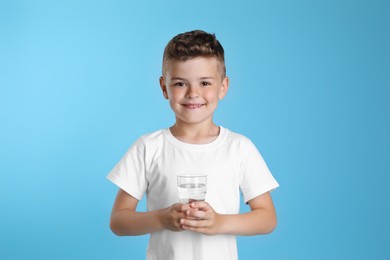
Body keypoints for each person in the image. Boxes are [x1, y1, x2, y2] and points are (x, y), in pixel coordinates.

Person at [107, 30, 279, 260]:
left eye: (205, 82)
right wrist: (161, 219)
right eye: (180, 83)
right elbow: (119, 221)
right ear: (164, 87)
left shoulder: (239, 148)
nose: (193, 93)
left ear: (223, 87)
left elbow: (267, 218)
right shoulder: (148, 147)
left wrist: (219, 223)